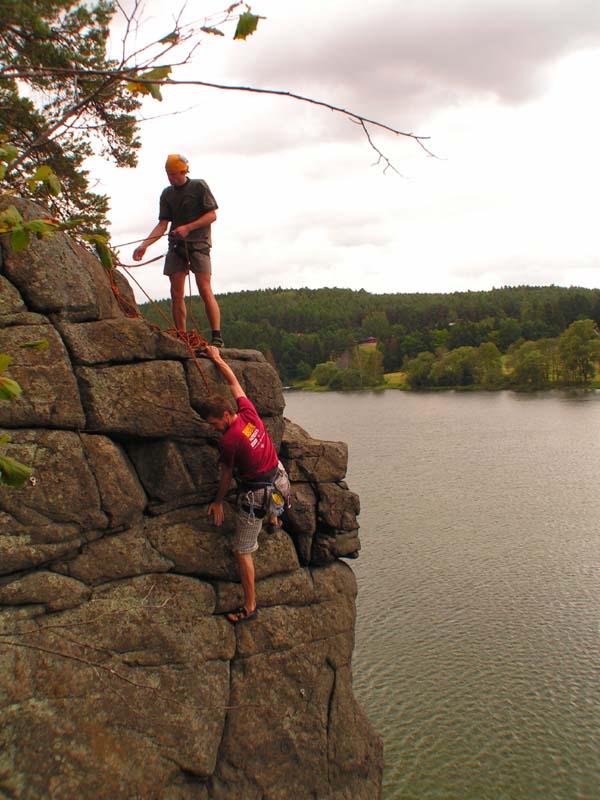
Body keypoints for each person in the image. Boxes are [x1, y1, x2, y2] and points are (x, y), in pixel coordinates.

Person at [201, 346, 290, 623]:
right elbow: (234, 382)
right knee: (273, 483)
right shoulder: (248, 412)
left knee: (242, 549)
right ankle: (276, 521)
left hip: (258, 496)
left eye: (215, 422)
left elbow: (227, 475)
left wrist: (217, 501)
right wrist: (217, 358)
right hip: (281, 482)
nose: (213, 427)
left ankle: (250, 606)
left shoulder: (230, 440)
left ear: (226, 415)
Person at [132, 154, 224, 346]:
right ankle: (181, 337)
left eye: (174, 174)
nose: (171, 178)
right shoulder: (167, 193)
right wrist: (144, 245)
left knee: (204, 289)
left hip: (199, 244)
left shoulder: (199, 186)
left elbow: (211, 216)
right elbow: (162, 225)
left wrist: (188, 228)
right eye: (168, 174)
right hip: (176, 246)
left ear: (184, 172)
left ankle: (217, 336)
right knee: (176, 293)